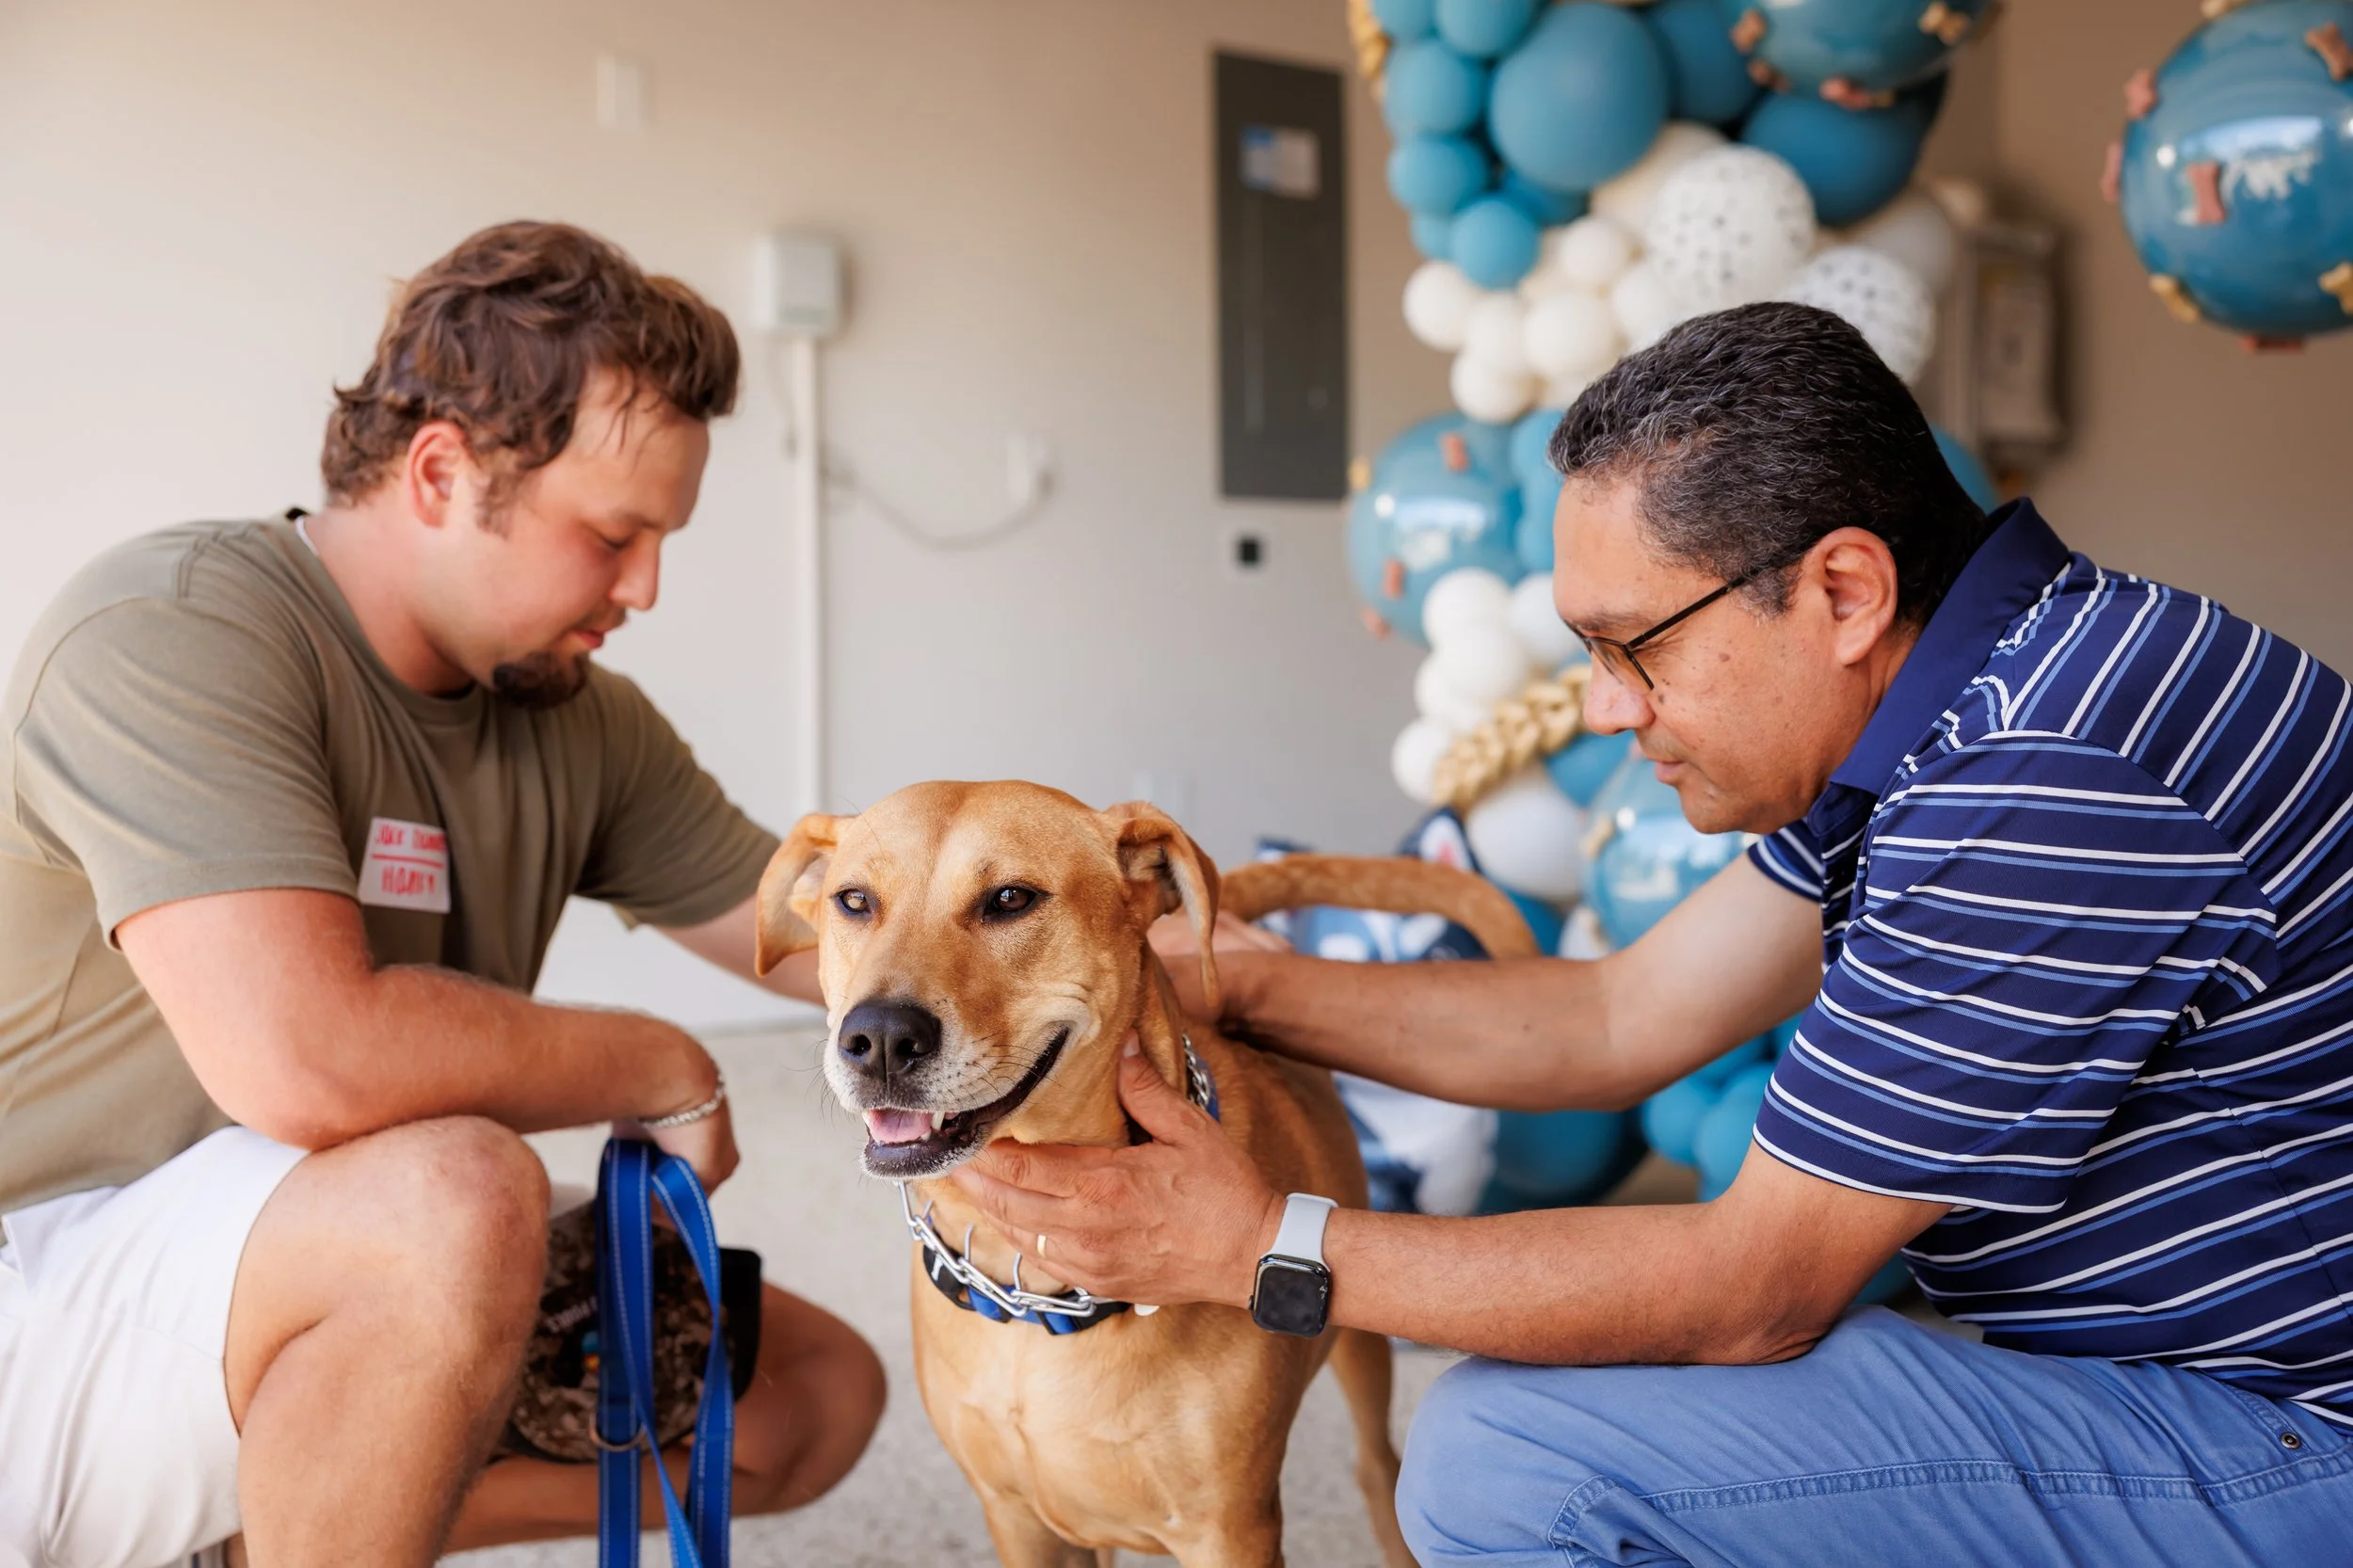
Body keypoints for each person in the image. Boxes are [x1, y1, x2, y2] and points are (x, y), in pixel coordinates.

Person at [952, 303, 2353, 1565]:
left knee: (1509, 1460)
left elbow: (1755, 1288)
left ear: (1846, 592)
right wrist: (1215, 982)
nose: (1607, 709)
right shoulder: (1989, 688)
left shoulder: (2045, 776)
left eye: (1639, 645)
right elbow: (1619, 1015)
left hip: (2299, 1440)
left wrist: (1261, 1242)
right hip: (2189, 1370)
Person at [0, 221, 880, 1568]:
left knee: (806, 1399)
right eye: (611, 534)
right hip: (41, 1290)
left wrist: (1156, 942)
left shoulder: (579, 718)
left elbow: (830, 928)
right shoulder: (171, 629)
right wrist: (656, 1062)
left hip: (287, 1272)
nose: (644, 586)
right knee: (462, 1195)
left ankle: (268, 1523)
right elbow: (309, 1057)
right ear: (440, 471)